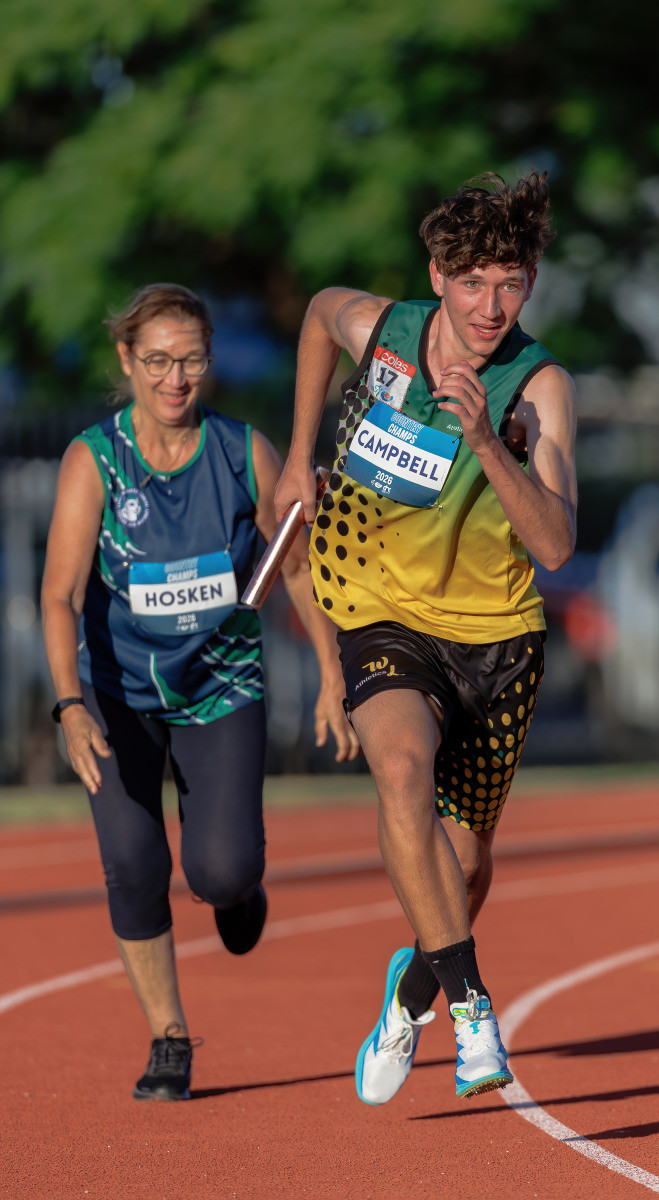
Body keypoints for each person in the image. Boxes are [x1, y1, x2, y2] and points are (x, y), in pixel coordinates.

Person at [274, 171, 577, 1102]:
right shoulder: (384, 332)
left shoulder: (539, 386)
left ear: (530, 283)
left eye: (511, 284)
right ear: (438, 275)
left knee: (466, 867)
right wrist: (297, 456)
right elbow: (319, 313)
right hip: (380, 608)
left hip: (496, 639)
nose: (491, 307)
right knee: (400, 768)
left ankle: (412, 997)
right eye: (473, 282)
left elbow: (557, 546)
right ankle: (475, 1009)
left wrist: (488, 442)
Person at [41, 283, 358, 1102]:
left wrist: (331, 675)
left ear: (209, 360)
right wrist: (68, 705)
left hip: (221, 684)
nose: (174, 378)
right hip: (117, 692)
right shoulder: (94, 460)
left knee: (219, 870)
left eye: (189, 360)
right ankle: (169, 1037)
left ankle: (236, 887)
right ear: (126, 360)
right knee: (132, 862)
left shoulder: (241, 451)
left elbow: (295, 567)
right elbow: (60, 596)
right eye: (156, 361)